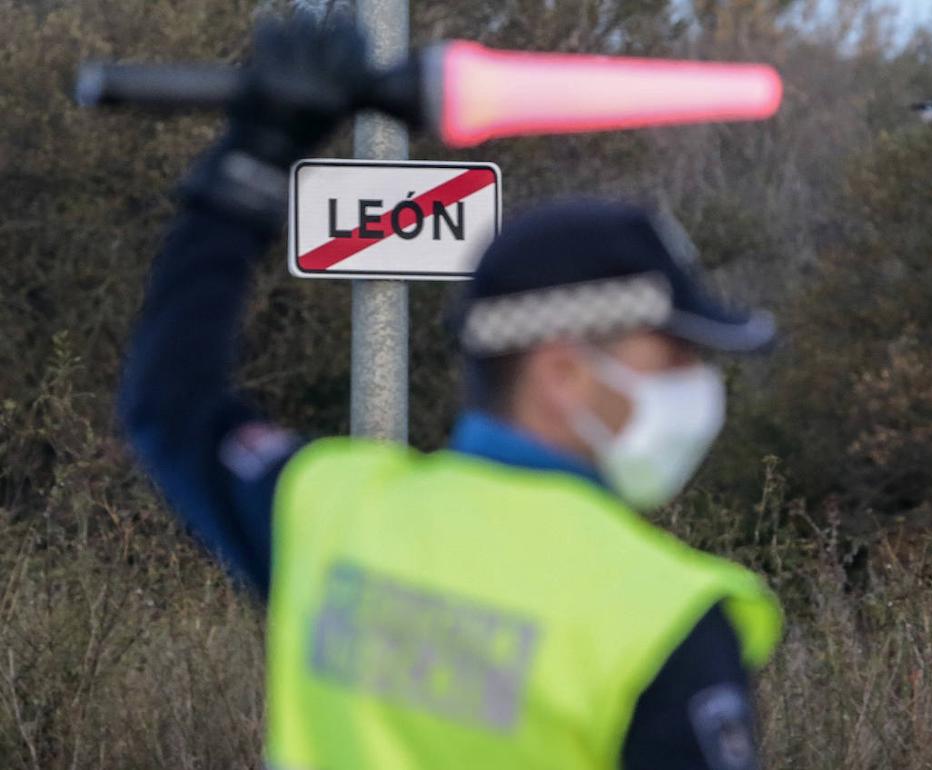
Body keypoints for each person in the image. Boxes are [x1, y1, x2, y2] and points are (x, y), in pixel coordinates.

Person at [119, 16, 782, 770]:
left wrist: (247, 169)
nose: (698, 391)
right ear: (561, 372)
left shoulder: (332, 513)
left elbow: (167, 406)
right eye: (673, 358)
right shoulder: (659, 621)